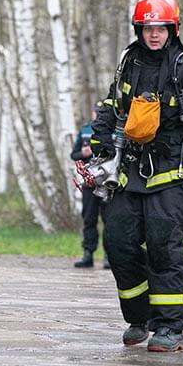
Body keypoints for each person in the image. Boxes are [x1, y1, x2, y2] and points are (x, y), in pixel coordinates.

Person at [91, 0, 183, 352]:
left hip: (173, 176)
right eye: (147, 28)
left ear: (172, 29)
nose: (154, 34)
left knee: (164, 246)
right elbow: (113, 103)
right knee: (118, 243)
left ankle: (170, 327)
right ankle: (140, 317)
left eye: (161, 28)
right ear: (139, 29)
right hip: (130, 172)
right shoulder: (129, 63)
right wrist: (99, 144)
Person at [71, 105, 110, 269]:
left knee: (109, 220)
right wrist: (83, 154)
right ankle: (88, 254)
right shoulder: (85, 130)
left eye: (102, 112)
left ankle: (110, 256)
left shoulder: (113, 130)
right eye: (97, 112)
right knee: (89, 219)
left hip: (108, 182)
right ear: (93, 113)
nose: (98, 115)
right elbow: (74, 154)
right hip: (89, 182)